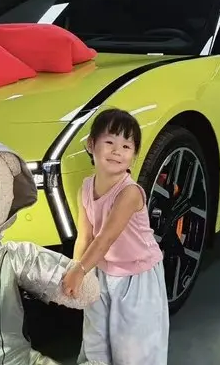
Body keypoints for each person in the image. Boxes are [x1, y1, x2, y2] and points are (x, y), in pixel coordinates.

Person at [61, 107, 169, 365]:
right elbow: (85, 236)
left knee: (134, 347)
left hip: (136, 277)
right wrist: (77, 270)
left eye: (126, 146)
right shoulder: (86, 188)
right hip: (100, 270)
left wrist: (79, 270)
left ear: (133, 156)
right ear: (91, 145)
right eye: (109, 142)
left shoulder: (129, 193)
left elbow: (105, 238)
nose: (117, 151)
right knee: (95, 339)